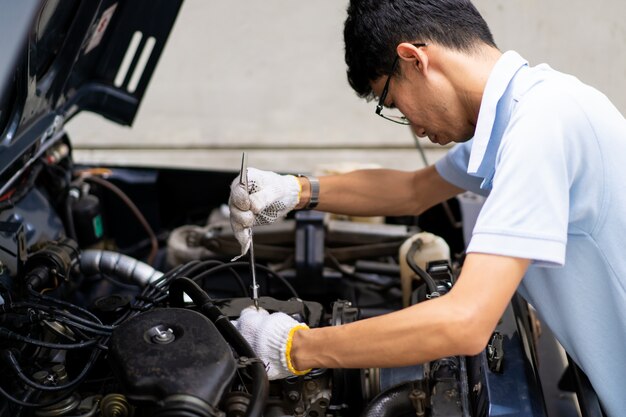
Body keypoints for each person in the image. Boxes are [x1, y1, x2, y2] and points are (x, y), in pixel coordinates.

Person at [228, 0, 626, 415]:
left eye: (395, 104)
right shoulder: (521, 115)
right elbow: (413, 190)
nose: (415, 127)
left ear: (414, 59)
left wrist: (295, 347)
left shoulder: (542, 125)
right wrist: (295, 190)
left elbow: (466, 322)